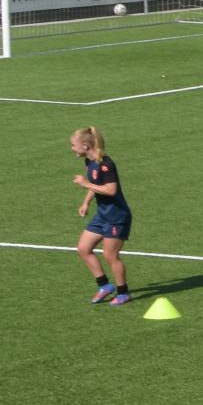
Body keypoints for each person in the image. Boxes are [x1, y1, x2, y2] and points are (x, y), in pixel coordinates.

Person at [70, 126, 131, 306]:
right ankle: (104, 286)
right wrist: (86, 202)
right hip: (102, 215)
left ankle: (123, 293)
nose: (72, 149)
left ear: (85, 145)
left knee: (110, 255)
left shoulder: (105, 164)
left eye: (74, 145)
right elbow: (95, 185)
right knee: (83, 249)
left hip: (117, 216)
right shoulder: (90, 162)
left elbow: (111, 190)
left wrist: (85, 183)